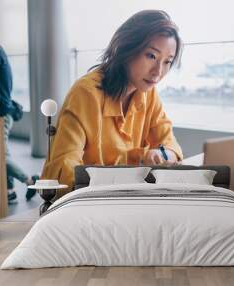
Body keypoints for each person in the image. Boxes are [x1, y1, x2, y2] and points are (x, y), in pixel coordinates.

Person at [41, 10, 183, 195]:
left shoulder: (149, 93)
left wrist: (161, 155)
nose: (158, 72)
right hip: (85, 201)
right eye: (151, 56)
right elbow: (65, 169)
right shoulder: (86, 94)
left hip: (127, 197)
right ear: (127, 48)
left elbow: (169, 144)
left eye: (167, 62)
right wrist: (137, 162)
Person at [0, 45, 39, 203]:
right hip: (4, 111)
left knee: (0, 156)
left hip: (2, 113)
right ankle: (10, 191)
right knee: (3, 153)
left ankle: (30, 181)